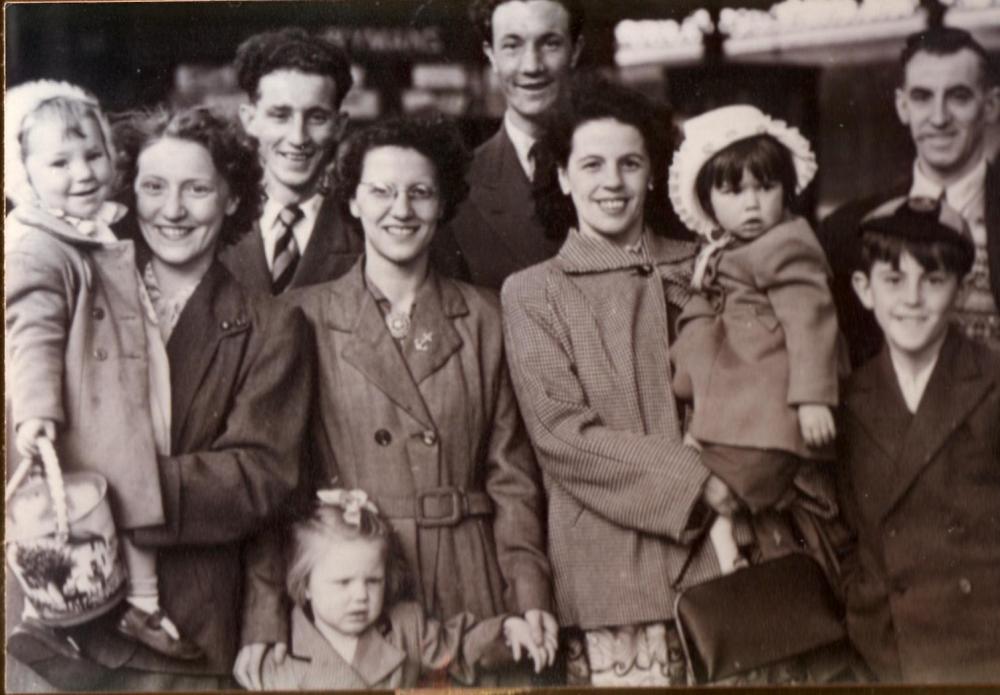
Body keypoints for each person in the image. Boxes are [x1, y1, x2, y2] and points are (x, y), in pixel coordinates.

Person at [238, 114, 556, 689]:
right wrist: (263, 615)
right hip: (352, 585)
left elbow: (512, 477)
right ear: (352, 202)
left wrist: (529, 592)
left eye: (420, 192)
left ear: (444, 204)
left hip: (471, 577)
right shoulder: (302, 315)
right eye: (381, 192)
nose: (401, 209)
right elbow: (273, 480)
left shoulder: (487, 315)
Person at [8, 105, 313, 691]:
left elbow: (259, 476)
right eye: (153, 187)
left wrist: (109, 489)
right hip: (54, 613)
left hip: (183, 627)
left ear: (231, 199)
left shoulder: (272, 326)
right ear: (128, 190)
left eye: (197, 189)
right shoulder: (71, 278)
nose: (172, 211)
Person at [501, 75, 730, 686]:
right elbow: (562, 435)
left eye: (630, 163)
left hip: (727, 560)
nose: (612, 182)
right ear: (562, 176)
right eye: (592, 164)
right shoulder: (533, 292)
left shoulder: (704, 264)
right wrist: (700, 482)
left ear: (653, 173)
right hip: (611, 579)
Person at [4, 80, 200, 661]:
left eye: (93, 154)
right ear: (25, 174)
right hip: (80, 414)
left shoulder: (92, 232)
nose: (83, 172)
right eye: (59, 162)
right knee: (74, 520)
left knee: (124, 508)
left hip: (116, 399)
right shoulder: (38, 247)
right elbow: (31, 332)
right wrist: (36, 411)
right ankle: (49, 617)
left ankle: (135, 607)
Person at [668, 105, 841, 570]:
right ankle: (730, 557)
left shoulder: (787, 245)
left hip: (772, 414)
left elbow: (811, 316)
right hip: (743, 408)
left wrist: (812, 397)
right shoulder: (725, 252)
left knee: (718, 487)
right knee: (696, 473)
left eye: (766, 188)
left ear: (786, 192)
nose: (751, 204)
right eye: (733, 191)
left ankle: (731, 559)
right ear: (708, 201)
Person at [837, 196, 1000, 682]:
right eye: (893, 280)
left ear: (962, 289)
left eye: (933, 280)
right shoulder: (846, 399)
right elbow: (843, 527)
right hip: (885, 651)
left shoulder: (992, 382)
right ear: (864, 290)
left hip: (982, 649)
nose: (912, 299)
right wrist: (862, 598)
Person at [819, 27, 1000, 365]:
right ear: (902, 106)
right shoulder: (843, 230)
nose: (939, 118)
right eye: (922, 97)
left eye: (959, 96)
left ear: (990, 106)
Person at [259, 488, 549, 689]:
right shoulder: (281, 651)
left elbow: (460, 649)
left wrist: (507, 630)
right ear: (305, 584)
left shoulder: (406, 627)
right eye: (343, 582)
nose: (361, 596)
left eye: (373, 581)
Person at [432, 0, 584, 290]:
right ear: (491, 55)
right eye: (512, 46)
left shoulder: (626, 169)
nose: (531, 66)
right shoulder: (456, 186)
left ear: (575, 50)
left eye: (550, 43)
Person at [220, 26, 364, 295]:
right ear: (250, 119)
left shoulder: (367, 233)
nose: (298, 137)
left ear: (339, 125)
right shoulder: (214, 226)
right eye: (280, 115)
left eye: (317, 117)